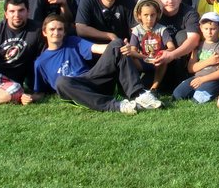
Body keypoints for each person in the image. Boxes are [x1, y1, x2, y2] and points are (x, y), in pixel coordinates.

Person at [21, 14, 161, 114]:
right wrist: (30, 97)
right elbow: (40, 92)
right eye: (52, 29)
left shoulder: (73, 41)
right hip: (74, 90)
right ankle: (118, 106)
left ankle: (139, 95)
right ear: (44, 32)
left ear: (64, 32)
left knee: (117, 43)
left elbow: (97, 48)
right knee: (61, 82)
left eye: (60, 29)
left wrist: (120, 47)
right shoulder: (40, 63)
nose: (56, 33)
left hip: (91, 80)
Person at [172, 11, 219, 104]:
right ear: (201, 28)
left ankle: (214, 91)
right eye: (206, 29)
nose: (209, 32)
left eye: (213, 29)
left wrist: (203, 79)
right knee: (177, 95)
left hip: (214, 80)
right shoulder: (198, 45)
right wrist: (209, 62)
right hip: (197, 77)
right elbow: (191, 68)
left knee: (199, 99)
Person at [154, 0, 202, 90]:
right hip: (159, 56)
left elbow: (194, 39)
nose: (170, 1)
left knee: (181, 36)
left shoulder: (189, 12)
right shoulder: (153, 13)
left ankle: (181, 79)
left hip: (181, 58)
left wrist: (172, 55)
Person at [126, 0, 176, 94]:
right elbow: (133, 50)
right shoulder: (136, 30)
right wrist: (143, 56)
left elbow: (171, 47)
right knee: (129, 57)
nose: (149, 18)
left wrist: (163, 54)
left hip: (157, 61)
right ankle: (134, 85)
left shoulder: (162, 29)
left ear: (157, 15)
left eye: (152, 15)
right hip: (142, 61)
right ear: (139, 15)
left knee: (164, 61)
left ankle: (154, 88)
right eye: (146, 15)